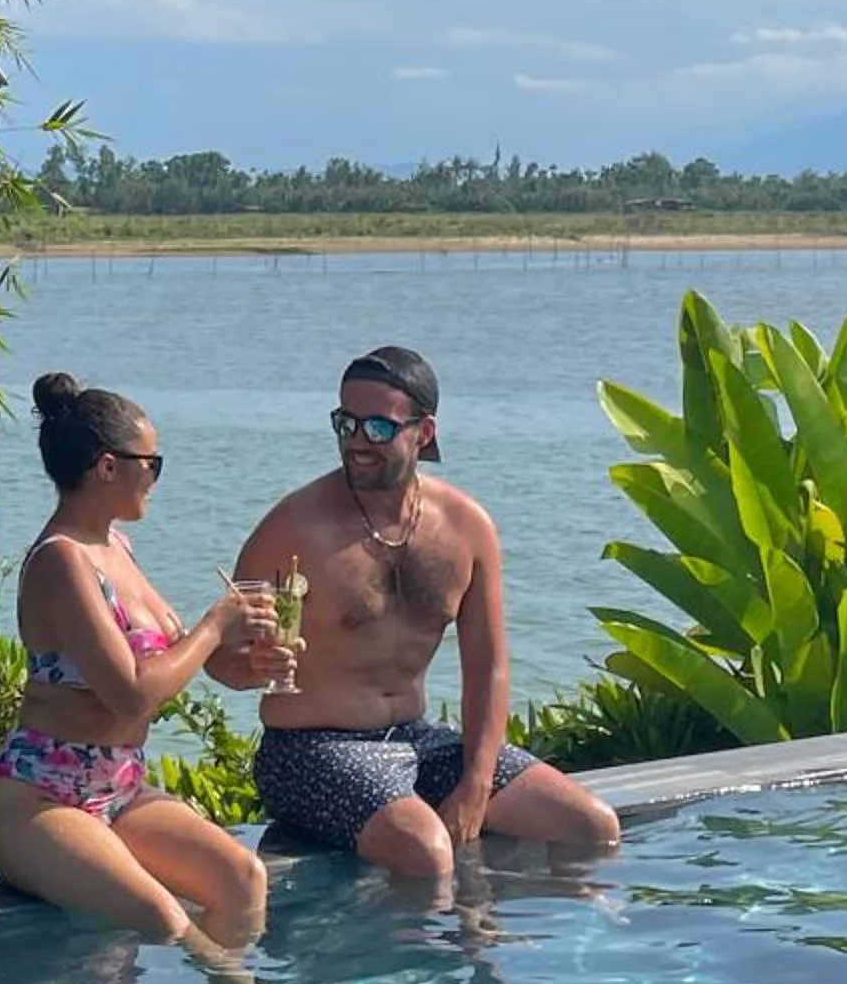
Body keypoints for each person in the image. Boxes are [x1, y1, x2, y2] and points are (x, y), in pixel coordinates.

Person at [220, 343, 621, 880]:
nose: (358, 442)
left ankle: (525, 949)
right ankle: (417, 959)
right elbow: (219, 659)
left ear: (423, 432)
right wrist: (251, 669)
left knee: (591, 827)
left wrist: (476, 783)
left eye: (379, 429)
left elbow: (488, 666)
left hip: (418, 740)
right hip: (307, 749)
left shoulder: (465, 526)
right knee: (427, 849)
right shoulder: (292, 529)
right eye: (346, 424)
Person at [0, 370, 276, 969]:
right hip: (41, 797)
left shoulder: (117, 549)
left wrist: (247, 663)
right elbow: (132, 695)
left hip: (119, 786)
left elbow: (180, 661)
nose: (157, 478)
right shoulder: (61, 561)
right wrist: (215, 624)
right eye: (153, 463)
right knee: (162, 918)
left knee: (242, 877)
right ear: (107, 466)